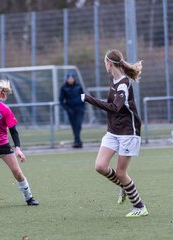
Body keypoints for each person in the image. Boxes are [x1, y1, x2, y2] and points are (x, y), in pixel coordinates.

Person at [81, 49, 148, 217]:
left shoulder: (123, 84)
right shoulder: (114, 80)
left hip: (128, 131)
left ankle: (140, 207)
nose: (104, 65)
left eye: (105, 62)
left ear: (109, 63)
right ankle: (125, 186)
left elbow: (114, 107)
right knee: (100, 166)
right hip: (113, 131)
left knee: (121, 173)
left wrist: (88, 98)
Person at [59, 73, 85, 148]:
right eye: (69, 78)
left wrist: (83, 107)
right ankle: (78, 142)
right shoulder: (64, 88)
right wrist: (67, 109)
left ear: (73, 79)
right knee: (74, 126)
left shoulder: (79, 86)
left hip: (79, 109)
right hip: (71, 110)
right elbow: (61, 100)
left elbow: (83, 96)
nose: (70, 80)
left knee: (78, 125)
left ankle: (77, 141)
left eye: (71, 78)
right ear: (67, 79)